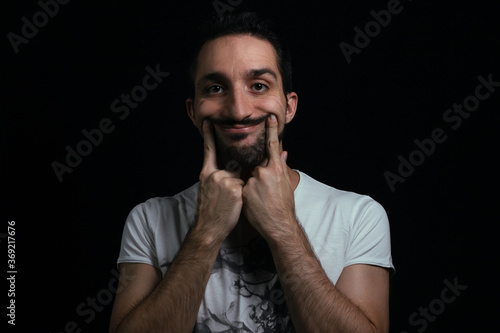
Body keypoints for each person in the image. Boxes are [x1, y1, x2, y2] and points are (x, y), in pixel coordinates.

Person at [109, 12, 394, 333]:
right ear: (193, 111)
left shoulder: (359, 215)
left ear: (289, 106)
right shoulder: (148, 219)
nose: (239, 110)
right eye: (216, 88)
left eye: (258, 85)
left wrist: (283, 227)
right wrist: (206, 232)